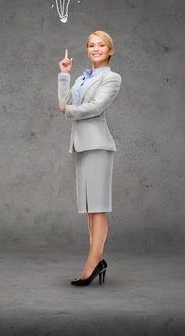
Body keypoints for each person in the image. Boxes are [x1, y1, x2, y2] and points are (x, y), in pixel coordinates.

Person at [58, 30, 122, 286]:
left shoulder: (112, 78)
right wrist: (64, 75)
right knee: (89, 209)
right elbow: (63, 103)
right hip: (82, 146)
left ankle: (92, 263)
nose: (96, 49)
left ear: (110, 50)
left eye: (101, 45)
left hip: (97, 145)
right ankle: (99, 259)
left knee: (97, 207)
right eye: (92, 45)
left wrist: (69, 110)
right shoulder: (83, 78)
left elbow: (96, 107)